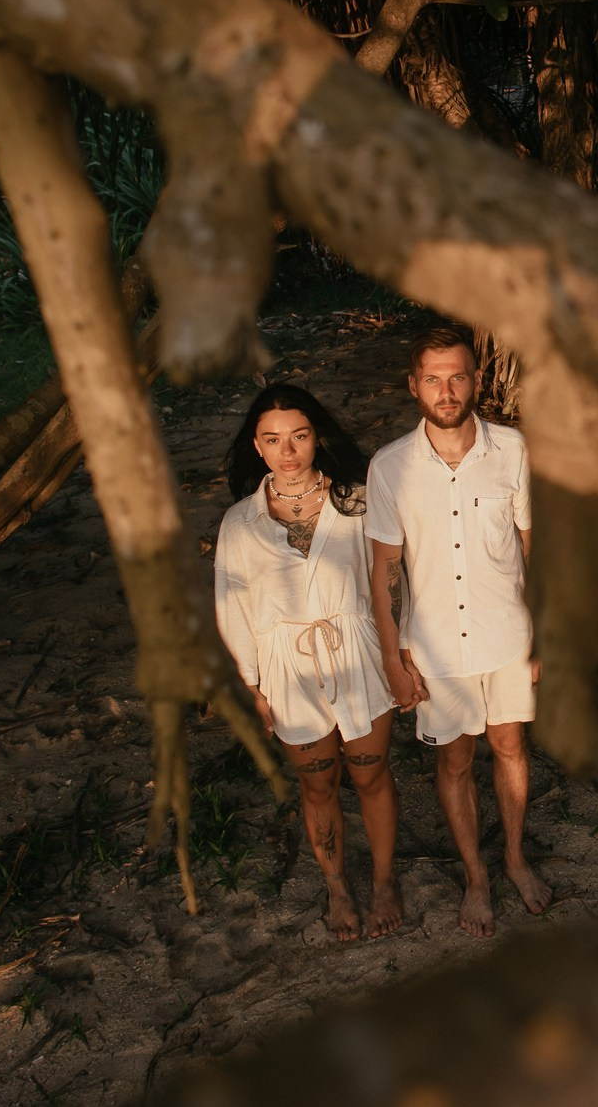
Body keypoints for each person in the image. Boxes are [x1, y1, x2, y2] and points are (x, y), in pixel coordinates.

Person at [366, 324, 554, 937]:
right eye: (433, 379)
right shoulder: (390, 467)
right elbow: (384, 571)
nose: (446, 391)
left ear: (476, 381)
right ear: (413, 385)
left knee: (510, 745)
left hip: (508, 633)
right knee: (455, 758)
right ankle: (476, 876)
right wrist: (394, 658)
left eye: (457, 378)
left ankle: (515, 858)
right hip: (437, 643)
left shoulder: (513, 451)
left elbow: (535, 546)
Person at [213, 384, 405, 941]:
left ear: (316, 437)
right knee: (318, 786)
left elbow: (392, 581)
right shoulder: (240, 523)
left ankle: (385, 882)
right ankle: (338, 888)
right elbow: (233, 607)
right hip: (287, 669)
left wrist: (400, 653)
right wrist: (253, 685)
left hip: (358, 653)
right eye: (273, 440)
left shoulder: (358, 502)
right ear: (257, 447)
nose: (288, 450)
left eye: (298, 436)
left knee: (370, 774)